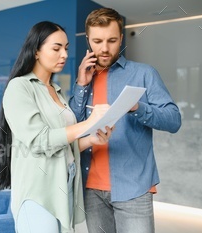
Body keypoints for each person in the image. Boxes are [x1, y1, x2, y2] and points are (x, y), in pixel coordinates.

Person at [0, 21, 113, 233]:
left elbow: (63, 145)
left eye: (66, 48)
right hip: (38, 191)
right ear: (36, 51)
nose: (64, 55)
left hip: (63, 186)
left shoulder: (57, 91)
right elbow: (41, 141)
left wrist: (91, 139)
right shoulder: (19, 87)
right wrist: (89, 122)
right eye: (56, 48)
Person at [69, 8, 182, 233]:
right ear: (88, 41)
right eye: (97, 41)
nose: (104, 48)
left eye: (111, 40)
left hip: (134, 188)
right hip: (91, 190)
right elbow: (73, 127)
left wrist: (137, 107)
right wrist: (81, 85)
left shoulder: (144, 74)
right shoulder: (84, 78)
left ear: (121, 38)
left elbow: (174, 120)